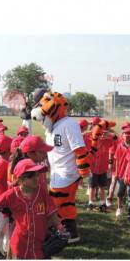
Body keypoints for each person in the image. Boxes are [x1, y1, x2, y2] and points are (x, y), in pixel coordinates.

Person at [31, 89, 91, 243]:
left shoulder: (69, 124)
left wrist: (84, 170)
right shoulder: (51, 126)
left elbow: (79, 148)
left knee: (59, 206)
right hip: (58, 173)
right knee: (63, 206)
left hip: (67, 173)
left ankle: (67, 234)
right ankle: (69, 233)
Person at [0, 158, 62, 259]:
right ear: (21, 180)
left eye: (37, 175)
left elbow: (52, 212)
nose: (36, 178)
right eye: (31, 176)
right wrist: (8, 212)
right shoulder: (12, 194)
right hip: (20, 243)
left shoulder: (41, 192)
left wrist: (60, 227)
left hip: (39, 244)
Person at [87, 131, 114, 212]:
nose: (101, 135)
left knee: (102, 187)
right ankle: (90, 203)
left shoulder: (107, 141)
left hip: (103, 168)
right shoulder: (91, 140)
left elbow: (117, 139)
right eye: (99, 133)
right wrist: (92, 131)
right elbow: (82, 136)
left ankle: (102, 203)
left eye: (102, 133)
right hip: (93, 168)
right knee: (92, 187)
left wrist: (108, 134)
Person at [113, 127, 130, 217]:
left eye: (129, 134)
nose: (127, 136)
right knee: (120, 192)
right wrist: (116, 172)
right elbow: (116, 160)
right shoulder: (120, 146)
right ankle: (119, 208)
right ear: (122, 136)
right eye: (125, 134)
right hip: (121, 172)